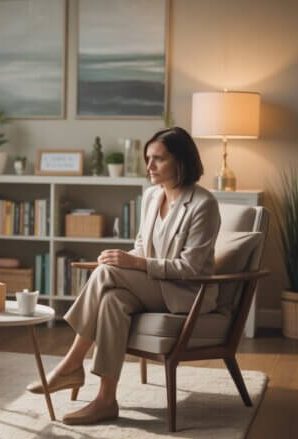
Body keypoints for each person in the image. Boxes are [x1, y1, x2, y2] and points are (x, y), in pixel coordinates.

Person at [27, 126, 221, 425]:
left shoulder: (203, 204)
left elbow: (190, 268)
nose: (149, 166)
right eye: (148, 158)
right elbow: (143, 247)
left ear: (181, 161)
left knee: (108, 272)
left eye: (158, 159)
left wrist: (132, 263)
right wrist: (128, 259)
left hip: (186, 292)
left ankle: (72, 363)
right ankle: (106, 400)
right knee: (112, 301)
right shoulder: (152, 196)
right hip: (156, 286)